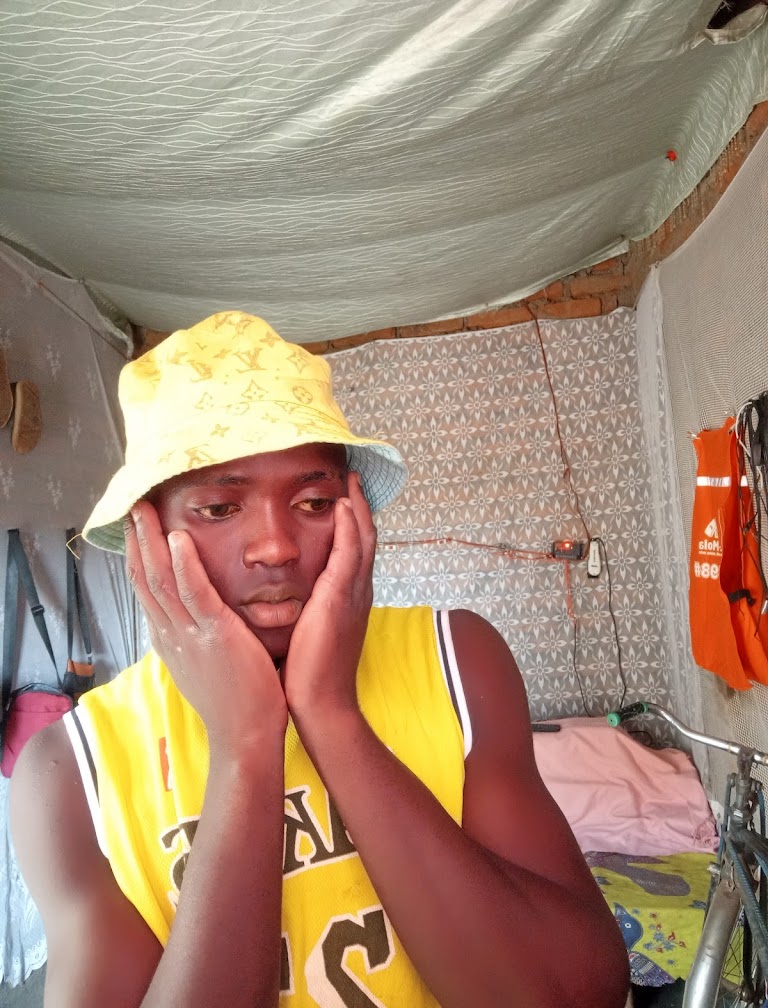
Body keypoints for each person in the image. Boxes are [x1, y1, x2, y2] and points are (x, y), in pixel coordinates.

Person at [10, 311, 629, 1008]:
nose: (276, 546)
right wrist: (245, 746)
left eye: (312, 501)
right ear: (146, 532)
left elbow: (580, 994)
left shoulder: (458, 658)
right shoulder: (73, 772)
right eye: (219, 508)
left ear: (353, 512)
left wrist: (331, 715)